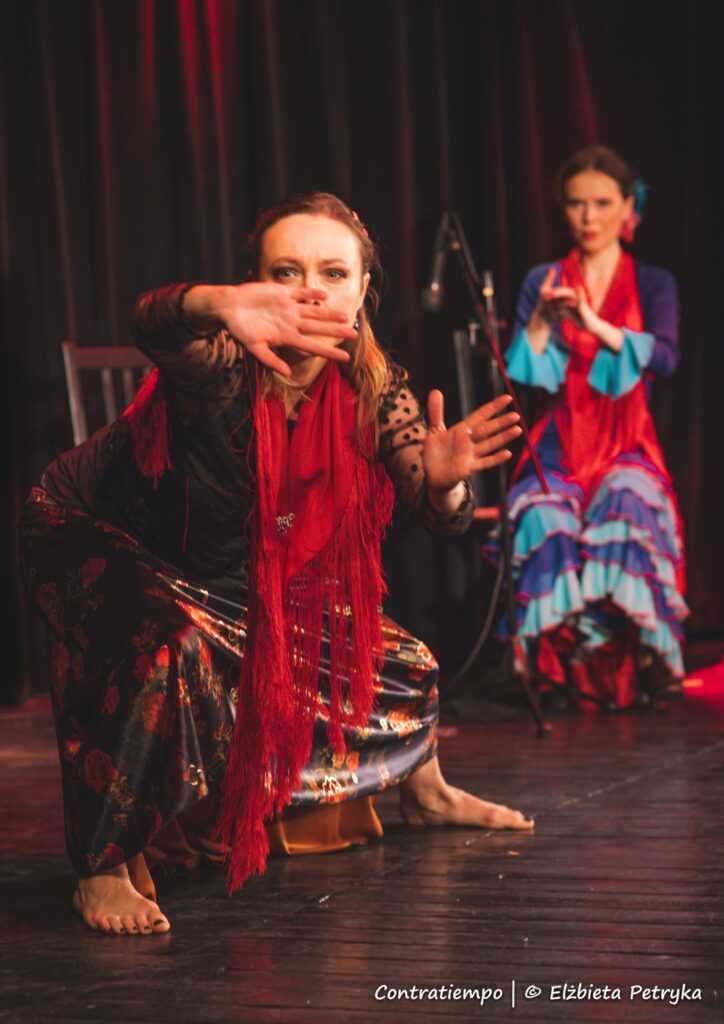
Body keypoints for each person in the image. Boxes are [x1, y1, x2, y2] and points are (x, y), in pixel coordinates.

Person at [20, 192, 532, 937]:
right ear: (254, 284)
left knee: (402, 662)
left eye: (334, 272)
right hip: (88, 533)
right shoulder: (221, 365)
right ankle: (102, 866)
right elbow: (153, 323)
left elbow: (443, 519)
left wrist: (447, 481)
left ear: (363, 289)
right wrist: (218, 305)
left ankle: (425, 789)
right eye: (286, 271)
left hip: (221, 577)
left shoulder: (373, 387)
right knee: (168, 648)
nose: (311, 289)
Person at [497, 145, 687, 710]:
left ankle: (645, 655)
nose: (588, 216)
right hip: (562, 438)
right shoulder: (544, 279)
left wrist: (592, 323)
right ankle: (554, 663)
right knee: (542, 511)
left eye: (602, 203)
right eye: (576, 203)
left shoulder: (652, 282)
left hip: (627, 437)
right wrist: (541, 320)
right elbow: (521, 370)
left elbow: (666, 358)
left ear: (628, 207)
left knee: (629, 499)